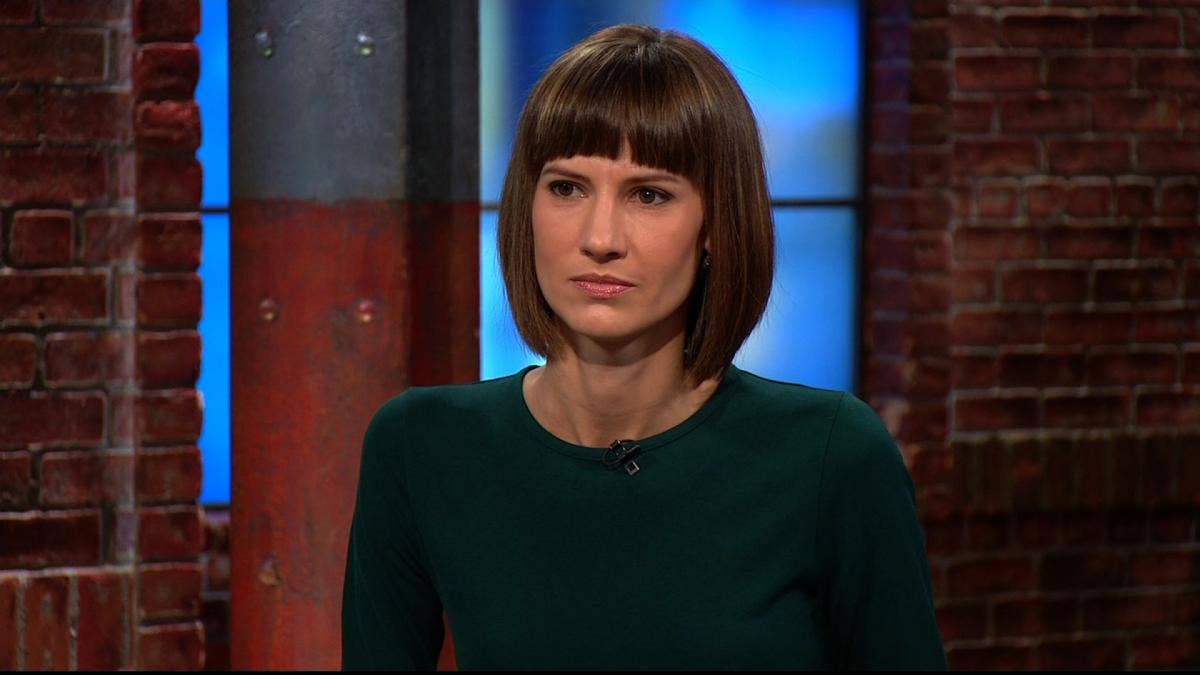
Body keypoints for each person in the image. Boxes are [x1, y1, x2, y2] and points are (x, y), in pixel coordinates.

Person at [342, 24, 946, 670]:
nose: (600, 238)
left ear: (715, 226)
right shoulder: (422, 447)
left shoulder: (831, 457)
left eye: (649, 195)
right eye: (567, 187)